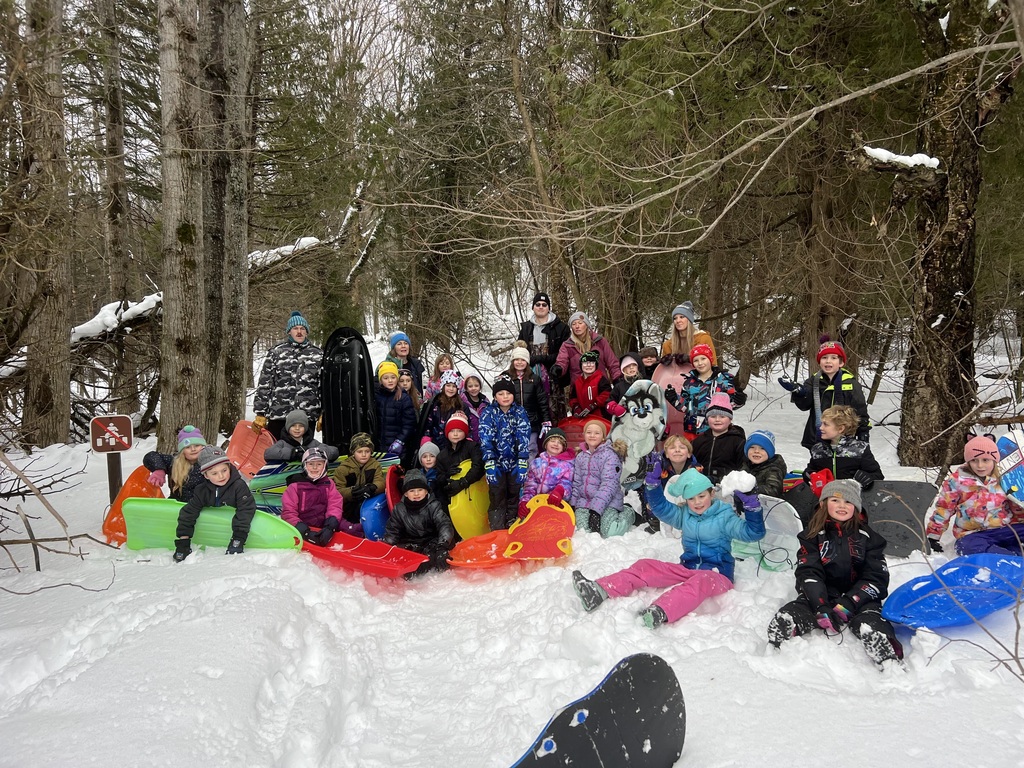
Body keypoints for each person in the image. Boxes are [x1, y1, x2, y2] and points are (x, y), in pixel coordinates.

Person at [571, 466, 764, 628]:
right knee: (645, 565)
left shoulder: (724, 517)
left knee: (701, 581)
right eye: (691, 498)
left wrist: (753, 509)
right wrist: (653, 486)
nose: (697, 502)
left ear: (711, 493)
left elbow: (753, 533)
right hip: (687, 568)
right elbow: (661, 509)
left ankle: (660, 611)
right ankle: (599, 591)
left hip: (717, 574)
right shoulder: (685, 514)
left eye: (701, 496)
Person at [767, 479, 904, 665]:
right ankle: (788, 623)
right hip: (824, 591)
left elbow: (876, 577)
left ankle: (880, 642)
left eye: (848, 502)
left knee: (870, 615)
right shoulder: (811, 536)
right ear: (823, 504)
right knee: (803, 605)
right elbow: (809, 572)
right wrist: (820, 604)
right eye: (835, 500)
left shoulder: (870, 538)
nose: (842, 506)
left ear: (856, 508)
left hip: (860, 595)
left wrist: (850, 602)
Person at [927, 435, 1023, 555]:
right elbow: (944, 508)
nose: (980, 465)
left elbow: (1016, 503)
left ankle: (1015, 552)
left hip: (1005, 529)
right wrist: (933, 536)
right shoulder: (957, 481)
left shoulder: (1004, 478)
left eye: (985, 460)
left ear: (994, 460)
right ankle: (1008, 556)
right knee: (966, 547)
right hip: (973, 534)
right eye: (974, 460)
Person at [778, 335, 870, 451]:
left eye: (833, 358)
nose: (828, 361)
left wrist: (863, 432)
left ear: (841, 362)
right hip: (818, 436)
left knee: (842, 467)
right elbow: (804, 405)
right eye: (824, 357)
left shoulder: (851, 383)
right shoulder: (814, 381)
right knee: (819, 466)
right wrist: (798, 392)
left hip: (844, 437)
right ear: (819, 361)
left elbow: (860, 410)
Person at [172, 446, 256, 562]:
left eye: (224, 470)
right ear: (206, 475)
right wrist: (183, 541)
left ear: (229, 468)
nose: (221, 476)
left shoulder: (239, 486)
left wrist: (238, 537)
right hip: (214, 531)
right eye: (214, 473)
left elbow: (246, 509)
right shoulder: (202, 490)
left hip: (238, 530)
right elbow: (188, 513)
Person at [253, 311, 323, 440]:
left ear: (307, 332)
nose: (299, 332)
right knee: (278, 453)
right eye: (295, 328)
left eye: (302, 328)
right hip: (279, 415)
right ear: (289, 331)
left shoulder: (318, 355)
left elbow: (323, 386)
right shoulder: (276, 353)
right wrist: (260, 412)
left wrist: (324, 412)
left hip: (307, 415)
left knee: (303, 453)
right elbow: (265, 383)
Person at [479, 376, 532, 531]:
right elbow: (485, 439)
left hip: (515, 463)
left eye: (508, 393)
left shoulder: (519, 412)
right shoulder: (488, 413)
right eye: (501, 394)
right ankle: (496, 527)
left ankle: (511, 524)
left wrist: (522, 460)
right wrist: (489, 462)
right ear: (495, 396)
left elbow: (523, 436)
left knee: (514, 494)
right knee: (497, 495)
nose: (505, 397)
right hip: (497, 464)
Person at [383, 469, 456, 576]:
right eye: (412, 491)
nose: (416, 494)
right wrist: (386, 549)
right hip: (411, 542)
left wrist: (442, 546)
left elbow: (444, 525)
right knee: (405, 559)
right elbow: (393, 530)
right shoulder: (399, 509)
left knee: (432, 558)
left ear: (426, 491)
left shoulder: (433, 505)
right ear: (406, 494)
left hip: (432, 541)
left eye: (420, 490)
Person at [282, 448, 360, 546]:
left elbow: (335, 504)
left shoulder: (329, 483)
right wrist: (304, 531)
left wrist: (330, 525)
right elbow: (288, 512)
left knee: (353, 530)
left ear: (325, 465)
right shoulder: (295, 486)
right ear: (305, 465)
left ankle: (369, 543)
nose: (315, 467)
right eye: (311, 464)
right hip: (304, 525)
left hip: (326, 522)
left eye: (319, 464)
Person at [666, 343, 745, 436]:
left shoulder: (724, 380)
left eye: (703, 359)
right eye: (696, 360)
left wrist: (739, 400)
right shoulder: (689, 383)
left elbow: (730, 406)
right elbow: (686, 407)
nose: (700, 363)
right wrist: (674, 398)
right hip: (692, 430)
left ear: (710, 359)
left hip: (717, 432)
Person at [571, 418, 631, 537]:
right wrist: (572, 504)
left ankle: (629, 513)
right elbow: (577, 482)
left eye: (597, 433)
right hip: (584, 502)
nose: (592, 435)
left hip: (608, 502)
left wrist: (595, 511)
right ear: (584, 435)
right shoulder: (580, 456)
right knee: (583, 530)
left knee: (609, 531)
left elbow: (609, 485)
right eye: (589, 432)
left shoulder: (609, 455)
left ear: (603, 437)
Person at [518, 291, 571, 422]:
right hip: (530, 376)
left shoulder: (561, 328)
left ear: (548, 307)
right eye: (537, 304)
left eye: (544, 304)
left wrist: (540, 359)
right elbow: (519, 352)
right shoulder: (526, 328)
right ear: (533, 307)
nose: (541, 307)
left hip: (553, 377)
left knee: (555, 413)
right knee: (533, 410)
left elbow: (564, 354)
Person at [803, 405, 883, 491]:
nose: (821, 428)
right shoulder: (818, 449)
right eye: (822, 423)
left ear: (840, 428)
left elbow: (877, 475)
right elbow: (810, 470)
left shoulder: (859, 449)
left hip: (851, 497)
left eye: (825, 424)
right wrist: (810, 475)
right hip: (826, 497)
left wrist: (864, 478)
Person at [552, 311, 621, 388]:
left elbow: (612, 363)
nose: (577, 326)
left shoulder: (600, 341)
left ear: (587, 325)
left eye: (580, 323)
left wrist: (617, 379)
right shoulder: (567, 345)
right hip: (579, 389)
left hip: (601, 386)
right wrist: (559, 368)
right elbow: (562, 361)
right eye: (574, 324)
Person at [507, 341, 551, 457]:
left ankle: (529, 472)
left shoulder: (534, 379)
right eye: (516, 359)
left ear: (527, 362)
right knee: (513, 448)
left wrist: (546, 420)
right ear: (512, 361)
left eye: (523, 360)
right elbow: (499, 398)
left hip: (531, 421)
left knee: (531, 448)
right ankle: (515, 473)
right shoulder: (507, 377)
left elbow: (542, 401)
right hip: (512, 421)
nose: (519, 362)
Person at [519, 427, 575, 519]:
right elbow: (530, 486)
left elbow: (567, 483)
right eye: (553, 441)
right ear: (546, 444)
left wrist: (559, 491)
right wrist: (525, 502)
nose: (556, 444)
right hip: (536, 505)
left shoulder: (567, 465)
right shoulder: (536, 463)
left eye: (560, 443)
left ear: (563, 448)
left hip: (555, 504)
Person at [691, 393, 746, 485]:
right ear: (707, 419)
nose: (717, 420)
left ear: (730, 419)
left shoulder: (738, 442)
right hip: (700, 486)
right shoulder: (698, 441)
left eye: (722, 416)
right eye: (713, 416)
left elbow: (743, 468)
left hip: (727, 487)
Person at [143, 425, 207, 502]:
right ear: (182, 451)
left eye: (197, 445)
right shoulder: (174, 462)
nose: (193, 449)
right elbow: (150, 456)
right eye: (188, 447)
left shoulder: (210, 461)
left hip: (204, 508)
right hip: (176, 506)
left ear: (203, 446)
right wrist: (159, 469)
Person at [435, 412, 485, 509]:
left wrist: (463, 482)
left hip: (474, 493)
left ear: (465, 432)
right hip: (453, 500)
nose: (455, 434)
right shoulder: (442, 455)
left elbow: (478, 467)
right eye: (452, 431)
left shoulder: (472, 447)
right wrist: (446, 476)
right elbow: (439, 478)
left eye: (459, 430)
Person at [333, 432, 383, 528]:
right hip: (349, 505)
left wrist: (372, 488)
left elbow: (380, 481)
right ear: (353, 452)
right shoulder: (343, 468)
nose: (364, 455)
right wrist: (352, 492)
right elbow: (337, 489)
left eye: (367, 451)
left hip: (369, 500)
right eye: (359, 452)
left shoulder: (375, 465)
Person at [264, 409, 339, 463]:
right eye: (293, 425)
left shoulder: (312, 442)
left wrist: (313, 452)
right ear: (287, 427)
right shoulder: (282, 443)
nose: (297, 428)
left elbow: (334, 451)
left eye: (301, 426)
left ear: (306, 428)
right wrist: (293, 453)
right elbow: (268, 454)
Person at [375, 361, 416, 459]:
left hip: (396, 445)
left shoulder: (403, 397)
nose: (390, 381)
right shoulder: (377, 396)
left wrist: (400, 441)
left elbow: (409, 423)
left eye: (393, 377)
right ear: (381, 380)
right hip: (379, 444)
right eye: (386, 378)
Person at [422, 370, 471, 445]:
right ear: (443, 386)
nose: (451, 389)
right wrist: (426, 437)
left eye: (454, 386)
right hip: (436, 443)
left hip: (456, 445)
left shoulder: (462, 406)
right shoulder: (435, 404)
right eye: (448, 385)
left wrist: (468, 440)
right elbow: (429, 423)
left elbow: (468, 427)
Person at [569, 350, 617, 420]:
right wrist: (576, 408)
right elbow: (573, 398)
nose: (588, 365)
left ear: (596, 365)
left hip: (601, 418)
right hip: (582, 418)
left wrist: (593, 405)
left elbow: (606, 395)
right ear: (581, 365)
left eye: (592, 362)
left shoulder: (601, 379)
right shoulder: (577, 382)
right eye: (585, 363)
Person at [741, 430, 787, 497]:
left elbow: (774, 490)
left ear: (769, 452)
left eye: (762, 448)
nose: (756, 451)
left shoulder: (773, 469)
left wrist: (751, 489)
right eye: (752, 447)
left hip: (767, 504)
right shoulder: (746, 465)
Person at [462, 375, 488, 442]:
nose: (473, 388)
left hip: (483, 438)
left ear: (480, 387)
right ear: (466, 388)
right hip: (467, 439)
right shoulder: (461, 402)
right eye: (470, 386)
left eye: (476, 386)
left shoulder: (485, 402)